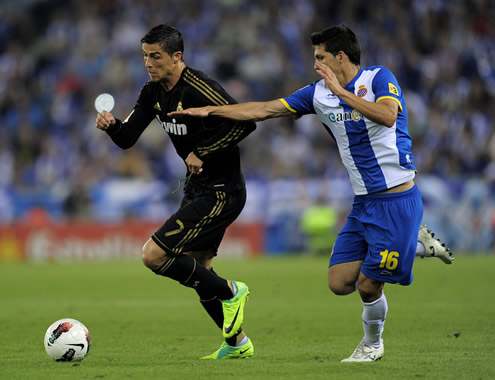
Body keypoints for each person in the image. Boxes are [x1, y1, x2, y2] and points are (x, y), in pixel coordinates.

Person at [169, 24, 454, 362]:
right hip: (363, 203)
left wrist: (341, 92)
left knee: (367, 285)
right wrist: (211, 111)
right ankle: (415, 245)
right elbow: (264, 109)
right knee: (339, 282)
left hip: (396, 201)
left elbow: (389, 116)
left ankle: (372, 345)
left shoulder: (378, 78)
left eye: (321, 57)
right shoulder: (317, 93)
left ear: (341, 57)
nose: (315, 63)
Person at [95, 24, 256, 360]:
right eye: (145, 56)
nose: (148, 63)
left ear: (176, 56)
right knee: (199, 269)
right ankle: (238, 344)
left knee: (153, 255)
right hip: (198, 188)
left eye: (156, 56)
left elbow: (245, 122)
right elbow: (127, 139)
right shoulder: (152, 92)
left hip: (222, 192)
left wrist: (204, 152)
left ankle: (231, 291)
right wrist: (112, 128)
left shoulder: (200, 88)